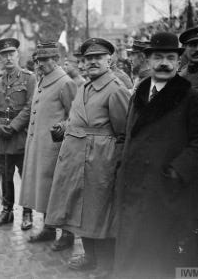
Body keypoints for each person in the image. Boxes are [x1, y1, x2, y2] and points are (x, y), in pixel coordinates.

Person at [114, 32, 198, 279]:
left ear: (178, 62)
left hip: (168, 193)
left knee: (171, 259)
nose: (164, 63)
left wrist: (175, 172)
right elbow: (126, 132)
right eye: (158, 57)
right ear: (148, 61)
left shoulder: (191, 96)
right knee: (134, 255)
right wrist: (121, 163)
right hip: (133, 188)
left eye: (170, 58)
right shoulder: (139, 92)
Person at [45, 38, 130, 279]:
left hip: (101, 161)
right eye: (88, 59)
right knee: (81, 212)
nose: (92, 62)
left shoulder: (115, 89)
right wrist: (63, 127)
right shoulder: (83, 87)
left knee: (100, 213)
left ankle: (105, 264)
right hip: (76, 158)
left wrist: (116, 166)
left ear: (109, 61)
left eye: (98, 58)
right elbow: (78, 118)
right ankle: (90, 257)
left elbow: (124, 134)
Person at [19, 42, 77, 249]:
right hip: (39, 147)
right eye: (37, 60)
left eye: (44, 60)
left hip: (56, 149)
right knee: (44, 189)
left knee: (60, 192)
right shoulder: (41, 80)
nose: (39, 64)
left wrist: (61, 127)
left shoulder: (65, 83)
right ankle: (48, 229)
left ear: (57, 60)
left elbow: (75, 117)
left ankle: (68, 234)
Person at [0, 37, 36, 228]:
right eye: (4, 55)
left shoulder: (29, 77)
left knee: (25, 176)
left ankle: (27, 213)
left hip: (20, 135)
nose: (8, 58)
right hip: (2, 136)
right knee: (5, 176)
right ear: (0, 58)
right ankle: (7, 212)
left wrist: (14, 126)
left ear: (18, 55)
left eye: (11, 54)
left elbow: (30, 105)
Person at [180, 26, 198, 265]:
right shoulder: (180, 75)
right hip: (188, 154)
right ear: (185, 48)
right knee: (191, 211)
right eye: (193, 45)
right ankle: (193, 264)